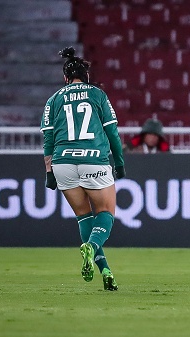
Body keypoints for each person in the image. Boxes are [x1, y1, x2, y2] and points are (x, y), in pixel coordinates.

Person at [40, 47, 125, 290]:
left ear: (65, 78)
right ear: (86, 76)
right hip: (93, 159)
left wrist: (49, 173)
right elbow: (112, 133)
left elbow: (48, 141)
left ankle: (106, 271)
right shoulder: (97, 95)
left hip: (62, 163)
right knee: (105, 212)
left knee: (84, 217)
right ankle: (92, 246)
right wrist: (119, 163)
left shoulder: (53, 100)